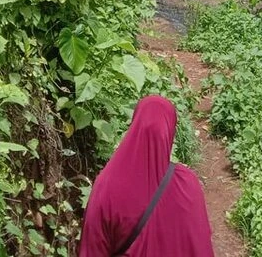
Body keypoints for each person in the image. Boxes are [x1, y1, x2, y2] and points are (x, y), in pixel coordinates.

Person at [79, 95, 215, 257]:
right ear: (170, 131)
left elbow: (92, 249)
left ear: (135, 127)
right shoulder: (188, 183)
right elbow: (201, 245)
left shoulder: (106, 187)